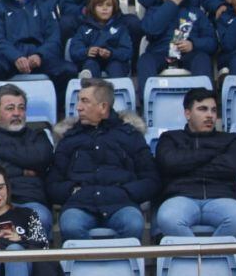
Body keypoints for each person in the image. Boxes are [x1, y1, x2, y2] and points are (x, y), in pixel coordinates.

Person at [47, 78, 159, 241]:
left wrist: (126, 192)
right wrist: (72, 191)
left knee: (133, 223)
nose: (78, 107)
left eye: (84, 101)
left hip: (121, 204)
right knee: (70, 225)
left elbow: (151, 179)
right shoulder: (69, 139)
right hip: (79, 205)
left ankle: (121, 266)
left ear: (103, 107)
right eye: (78, 101)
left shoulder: (130, 136)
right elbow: (52, 184)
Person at [153, 87, 236, 240]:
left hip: (221, 198)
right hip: (181, 198)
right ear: (187, 113)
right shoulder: (170, 138)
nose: (209, 115)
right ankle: (206, 260)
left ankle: (204, 260)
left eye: (213, 110)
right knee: (168, 218)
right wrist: (212, 153)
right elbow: (169, 164)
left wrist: (186, 166)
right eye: (202, 109)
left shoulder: (231, 139)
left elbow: (231, 169)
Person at [0, 83, 55, 235]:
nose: (17, 113)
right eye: (10, 108)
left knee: (40, 218)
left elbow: (41, 159)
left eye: (21, 108)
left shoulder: (38, 136)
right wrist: (22, 170)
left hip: (29, 201)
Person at [68, 0, 133, 79]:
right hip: (91, 60)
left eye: (109, 5)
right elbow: (74, 50)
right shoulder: (84, 28)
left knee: (116, 67)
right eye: (100, 5)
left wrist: (111, 53)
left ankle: (117, 90)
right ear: (92, 8)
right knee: (90, 64)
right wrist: (87, 51)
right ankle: (88, 83)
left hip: (115, 60)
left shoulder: (120, 28)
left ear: (114, 8)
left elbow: (127, 52)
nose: (104, 8)